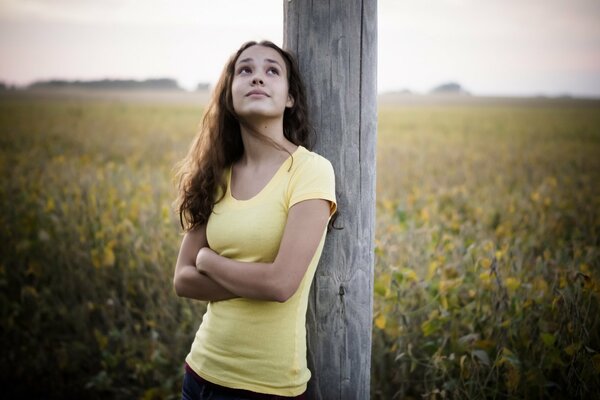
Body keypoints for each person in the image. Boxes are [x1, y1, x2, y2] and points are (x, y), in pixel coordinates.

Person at [172, 40, 337, 400]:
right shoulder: (217, 175)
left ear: (289, 98)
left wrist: (209, 261)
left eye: (271, 71)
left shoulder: (310, 171)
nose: (257, 78)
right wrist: (253, 279)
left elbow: (280, 285)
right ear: (229, 95)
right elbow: (183, 280)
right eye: (244, 70)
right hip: (199, 374)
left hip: (267, 387)